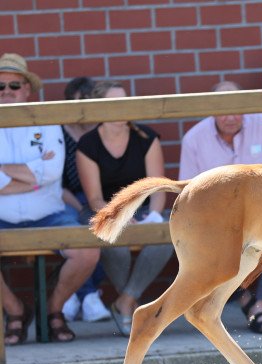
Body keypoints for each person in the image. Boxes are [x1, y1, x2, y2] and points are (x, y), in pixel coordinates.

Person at [179, 80, 262, 334]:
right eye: (224, 110)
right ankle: (246, 301)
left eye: (237, 109)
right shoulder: (194, 139)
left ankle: (260, 305)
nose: (231, 117)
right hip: (218, 219)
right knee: (212, 241)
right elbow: (187, 193)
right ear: (212, 110)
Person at [0, 53, 100, 344]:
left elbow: (52, 172)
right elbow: (40, 174)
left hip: (49, 213)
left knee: (87, 251)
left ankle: (51, 310)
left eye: (14, 86)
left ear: (27, 89)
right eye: (0, 86)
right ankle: (15, 311)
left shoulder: (46, 119)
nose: (6, 92)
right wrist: (32, 175)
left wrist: (6, 176)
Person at [76, 80, 173, 337]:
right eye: (115, 102)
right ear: (100, 107)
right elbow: (94, 197)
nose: (123, 107)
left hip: (142, 209)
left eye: (125, 100)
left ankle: (125, 301)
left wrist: (153, 216)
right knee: (113, 240)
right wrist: (117, 215)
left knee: (167, 233)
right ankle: (129, 303)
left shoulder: (146, 138)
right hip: (104, 209)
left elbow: (157, 187)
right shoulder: (88, 144)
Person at [60, 76, 112, 323]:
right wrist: (80, 206)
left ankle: (76, 295)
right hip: (66, 199)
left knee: (99, 226)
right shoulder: (59, 131)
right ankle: (89, 296)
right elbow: (55, 183)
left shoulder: (106, 130)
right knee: (81, 226)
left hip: (103, 198)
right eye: (77, 103)